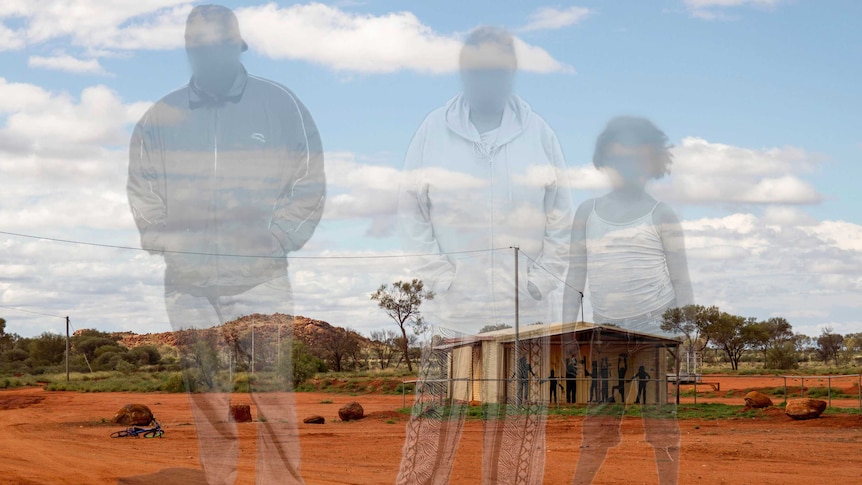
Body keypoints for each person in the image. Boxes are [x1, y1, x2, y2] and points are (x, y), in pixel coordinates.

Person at [126, 5, 325, 484]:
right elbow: (142, 184)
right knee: (207, 396)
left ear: (238, 46)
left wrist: (278, 238)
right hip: (189, 285)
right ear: (188, 50)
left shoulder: (281, 106)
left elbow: (309, 182)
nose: (207, 53)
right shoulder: (161, 116)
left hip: (262, 282)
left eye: (217, 43)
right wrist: (163, 238)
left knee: (273, 394)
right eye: (197, 45)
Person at [396, 26, 573, 485]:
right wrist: (440, 277)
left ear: (512, 72)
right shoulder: (432, 131)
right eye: (476, 69)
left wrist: (541, 279)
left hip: (527, 316)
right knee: (432, 428)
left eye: (497, 69)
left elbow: (561, 218)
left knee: (520, 434)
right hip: (452, 313)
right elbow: (410, 212)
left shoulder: (540, 134)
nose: (486, 79)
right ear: (463, 72)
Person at [563, 117, 690, 485]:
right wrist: (571, 332)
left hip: (654, 330)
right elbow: (575, 276)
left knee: (660, 417)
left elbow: (681, 278)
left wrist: (686, 334)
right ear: (605, 160)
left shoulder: (662, 213)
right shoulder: (586, 213)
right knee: (599, 416)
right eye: (619, 157)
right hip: (607, 333)